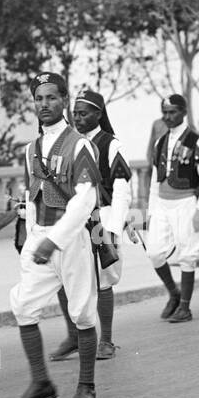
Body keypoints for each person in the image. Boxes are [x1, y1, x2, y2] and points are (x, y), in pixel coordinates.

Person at [7, 72, 101, 398]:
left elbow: (85, 199)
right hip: (40, 237)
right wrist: (33, 239)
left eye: (51, 98)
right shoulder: (31, 148)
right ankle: (41, 382)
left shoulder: (80, 144)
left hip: (71, 239)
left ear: (64, 100)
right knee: (23, 306)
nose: (44, 104)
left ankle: (86, 385)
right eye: (39, 98)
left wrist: (56, 240)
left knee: (82, 314)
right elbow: (32, 197)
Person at [65, 90, 131, 357]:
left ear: (98, 115)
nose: (78, 118)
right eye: (75, 114)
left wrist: (114, 227)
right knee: (73, 278)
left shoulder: (110, 144)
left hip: (101, 218)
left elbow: (122, 186)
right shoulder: (70, 142)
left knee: (104, 280)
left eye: (84, 114)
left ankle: (106, 340)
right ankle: (76, 337)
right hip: (75, 219)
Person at [139, 93, 199, 324]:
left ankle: (185, 307)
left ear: (183, 112)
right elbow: (154, 180)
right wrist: (150, 211)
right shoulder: (160, 141)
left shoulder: (196, 140)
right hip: (162, 203)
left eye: (173, 112)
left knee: (187, 254)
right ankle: (173, 292)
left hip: (186, 202)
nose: (168, 117)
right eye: (165, 113)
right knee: (154, 252)